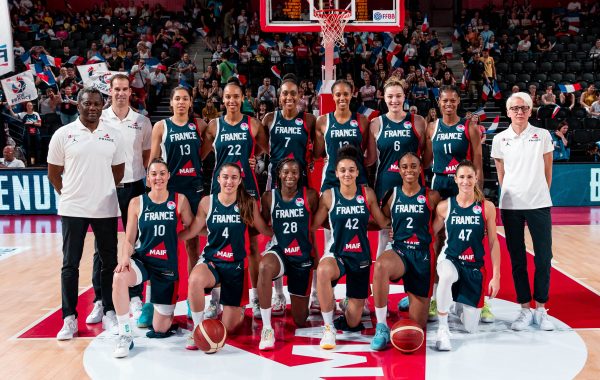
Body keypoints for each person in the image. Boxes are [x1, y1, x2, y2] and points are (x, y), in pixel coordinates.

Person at [47, 87, 125, 340]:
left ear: (102, 106)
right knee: (70, 264)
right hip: (73, 208)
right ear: (77, 105)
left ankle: (109, 311)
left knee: (109, 262)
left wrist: (100, 189)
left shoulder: (113, 134)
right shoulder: (63, 134)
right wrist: (70, 193)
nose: (92, 108)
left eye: (96, 104)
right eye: (87, 103)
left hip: (105, 207)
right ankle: (69, 318)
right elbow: (54, 172)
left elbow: (118, 171)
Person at [181, 163, 272, 349]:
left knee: (230, 327)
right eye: (225, 177)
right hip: (212, 261)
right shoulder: (207, 202)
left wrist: (288, 231)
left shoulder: (247, 203)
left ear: (239, 181)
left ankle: (237, 308)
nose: (229, 181)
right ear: (218, 178)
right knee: (195, 280)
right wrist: (171, 236)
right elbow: (194, 230)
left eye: (233, 177)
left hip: (235, 266)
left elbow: (263, 229)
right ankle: (197, 330)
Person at [86, 74, 152, 328]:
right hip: (105, 186)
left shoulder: (142, 121)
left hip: (134, 186)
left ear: (130, 92)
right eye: (117, 89)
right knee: (102, 246)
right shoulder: (99, 119)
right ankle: (101, 301)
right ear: (109, 91)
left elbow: (146, 156)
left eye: (125, 89)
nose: (121, 93)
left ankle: (135, 296)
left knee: (134, 242)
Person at [111, 158, 194, 358]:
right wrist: (124, 258)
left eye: (162, 173)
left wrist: (176, 237)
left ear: (168, 176)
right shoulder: (136, 202)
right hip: (143, 261)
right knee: (119, 277)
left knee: (160, 328)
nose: (158, 178)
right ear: (147, 178)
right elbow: (129, 238)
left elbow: (192, 227)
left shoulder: (179, 200)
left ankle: (156, 307)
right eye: (154, 174)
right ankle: (125, 333)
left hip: (166, 267)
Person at [201, 77, 268, 318]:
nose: (231, 100)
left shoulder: (253, 124)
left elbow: (265, 148)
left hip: (247, 188)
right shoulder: (213, 126)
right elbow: (202, 153)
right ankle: (215, 301)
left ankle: (256, 298)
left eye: (236, 96)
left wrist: (253, 158)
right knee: (218, 245)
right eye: (228, 96)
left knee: (250, 245)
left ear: (243, 98)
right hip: (221, 189)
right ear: (223, 98)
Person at [311, 145, 389, 350]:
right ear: (336, 173)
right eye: (343, 170)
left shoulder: (367, 194)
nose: (347, 174)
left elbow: (381, 223)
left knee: (353, 322)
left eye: (351, 170)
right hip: (338, 253)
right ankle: (329, 328)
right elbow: (315, 223)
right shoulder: (329, 195)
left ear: (357, 172)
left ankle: (348, 303)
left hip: (361, 257)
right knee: (323, 270)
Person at [491, 92, 556, 332]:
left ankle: (540, 309)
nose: (520, 111)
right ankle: (524, 309)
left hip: (538, 203)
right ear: (508, 112)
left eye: (524, 107)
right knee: (517, 260)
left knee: (543, 257)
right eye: (515, 108)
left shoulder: (543, 135)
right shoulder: (499, 139)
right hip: (511, 206)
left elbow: (548, 169)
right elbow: (501, 174)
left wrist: (539, 192)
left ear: (530, 111)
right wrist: (511, 192)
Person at [423, 85, 484, 321]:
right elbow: (426, 159)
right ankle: (437, 295)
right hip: (440, 184)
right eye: (444, 101)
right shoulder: (432, 127)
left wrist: (479, 191)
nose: (448, 104)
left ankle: (478, 297)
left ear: (458, 101)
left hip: (464, 185)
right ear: (439, 102)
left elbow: (477, 160)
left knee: (471, 237)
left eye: (452, 100)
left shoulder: (469, 127)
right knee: (437, 239)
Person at [370, 153, 440, 350]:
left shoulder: (432, 196)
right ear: (399, 170)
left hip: (423, 257)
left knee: (418, 327)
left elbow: (441, 225)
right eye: (404, 166)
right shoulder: (392, 194)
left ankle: (410, 295)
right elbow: (382, 221)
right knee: (381, 265)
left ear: (419, 169)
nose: (409, 170)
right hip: (400, 252)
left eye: (413, 166)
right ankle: (382, 325)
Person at [150, 86, 207, 318]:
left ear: (190, 102)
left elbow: (203, 152)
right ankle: (159, 300)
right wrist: (152, 192)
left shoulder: (200, 125)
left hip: (194, 188)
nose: (181, 102)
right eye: (177, 98)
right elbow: (154, 161)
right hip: (170, 191)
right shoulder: (161, 126)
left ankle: (195, 296)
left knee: (193, 244)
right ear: (171, 103)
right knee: (164, 245)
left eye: (185, 98)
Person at [433, 160, 501, 351]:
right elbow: (429, 234)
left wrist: (496, 276)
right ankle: (443, 328)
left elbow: (494, 242)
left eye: (469, 177)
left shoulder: (486, 207)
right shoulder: (444, 207)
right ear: (455, 179)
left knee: (471, 328)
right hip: (451, 260)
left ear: (476, 178)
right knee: (446, 275)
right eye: (461, 177)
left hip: (474, 267)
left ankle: (458, 305)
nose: (465, 181)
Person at [257, 158, 319, 350]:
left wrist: (315, 252)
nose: (290, 176)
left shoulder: (309, 195)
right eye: (286, 172)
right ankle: (267, 328)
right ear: (279, 174)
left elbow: (313, 228)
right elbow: (264, 224)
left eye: (294, 172)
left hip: (302, 256)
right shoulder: (269, 197)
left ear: (300, 175)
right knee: (265, 266)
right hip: (280, 251)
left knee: (300, 320)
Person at [366, 76, 427, 259]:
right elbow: (369, 160)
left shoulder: (417, 121)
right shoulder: (376, 123)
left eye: (398, 96)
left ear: (404, 96)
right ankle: (380, 269)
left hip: (412, 182)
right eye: (390, 96)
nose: (394, 100)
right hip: (386, 181)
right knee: (385, 229)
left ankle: (416, 266)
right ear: (383, 98)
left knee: (415, 226)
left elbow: (424, 154)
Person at [10, 102, 42, 166]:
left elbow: (40, 124)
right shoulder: (23, 114)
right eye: (27, 105)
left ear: (32, 106)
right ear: (26, 107)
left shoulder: (36, 114)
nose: (29, 107)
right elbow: (14, 115)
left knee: (37, 148)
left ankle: (37, 163)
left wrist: (32, 123)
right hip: (27, 133)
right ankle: (29, 163)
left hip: (36, 133)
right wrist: (10, 109)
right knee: (28, 148)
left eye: (30, 105)